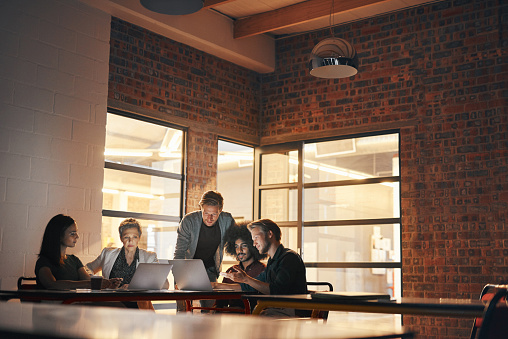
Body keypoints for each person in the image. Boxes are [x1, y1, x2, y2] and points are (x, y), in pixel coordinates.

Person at [219, 218, 309, 317]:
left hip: (292, 310)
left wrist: (246, 279)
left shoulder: (289, 258)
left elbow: (277, 291)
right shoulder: (272, 261)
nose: (254, 244)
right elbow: (251, 285)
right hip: (278, 309)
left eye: (256, 237)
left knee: (255, 318)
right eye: (253, 240)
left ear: (270, 234)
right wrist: (215, 285)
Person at [174, 190, 235, 311]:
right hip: (186, 267)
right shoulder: (189, 221)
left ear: (220, 210)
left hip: (209, 268)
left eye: (214, 214)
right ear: (201, 208)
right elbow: (180, 251)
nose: (210, 218)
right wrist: (178, 277)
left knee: (210, 310)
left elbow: (236, 242)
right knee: (183, 310)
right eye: (206, 213)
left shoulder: (227, 220)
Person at [86, 218, 167, 309]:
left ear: (139, 238)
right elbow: (88, 268)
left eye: (134, 237)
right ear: (121, 238)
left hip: (139, 309)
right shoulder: (107, 253)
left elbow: (164, 284)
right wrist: (100, 283)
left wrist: (136, 287)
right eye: (126, 237)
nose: (130, 241)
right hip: (111, 306)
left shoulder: (149, 257)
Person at [35, 214, 121, 290]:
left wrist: (107, 284)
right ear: (58, 235)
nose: (77, 236)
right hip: (58, 306)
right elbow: (51, 284)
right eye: (72, 233)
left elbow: (88, 280)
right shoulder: (44, 262)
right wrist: (89, 284)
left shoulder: (74, 260)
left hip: (76, 304)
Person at [215, 221, 267, 310]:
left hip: (252, 316)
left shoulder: (263, 270)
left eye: (244, 246)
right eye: (236, 246)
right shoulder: (231, 270)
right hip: (229, 317)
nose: (239, 250)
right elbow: (220, 302)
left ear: (253, 246)